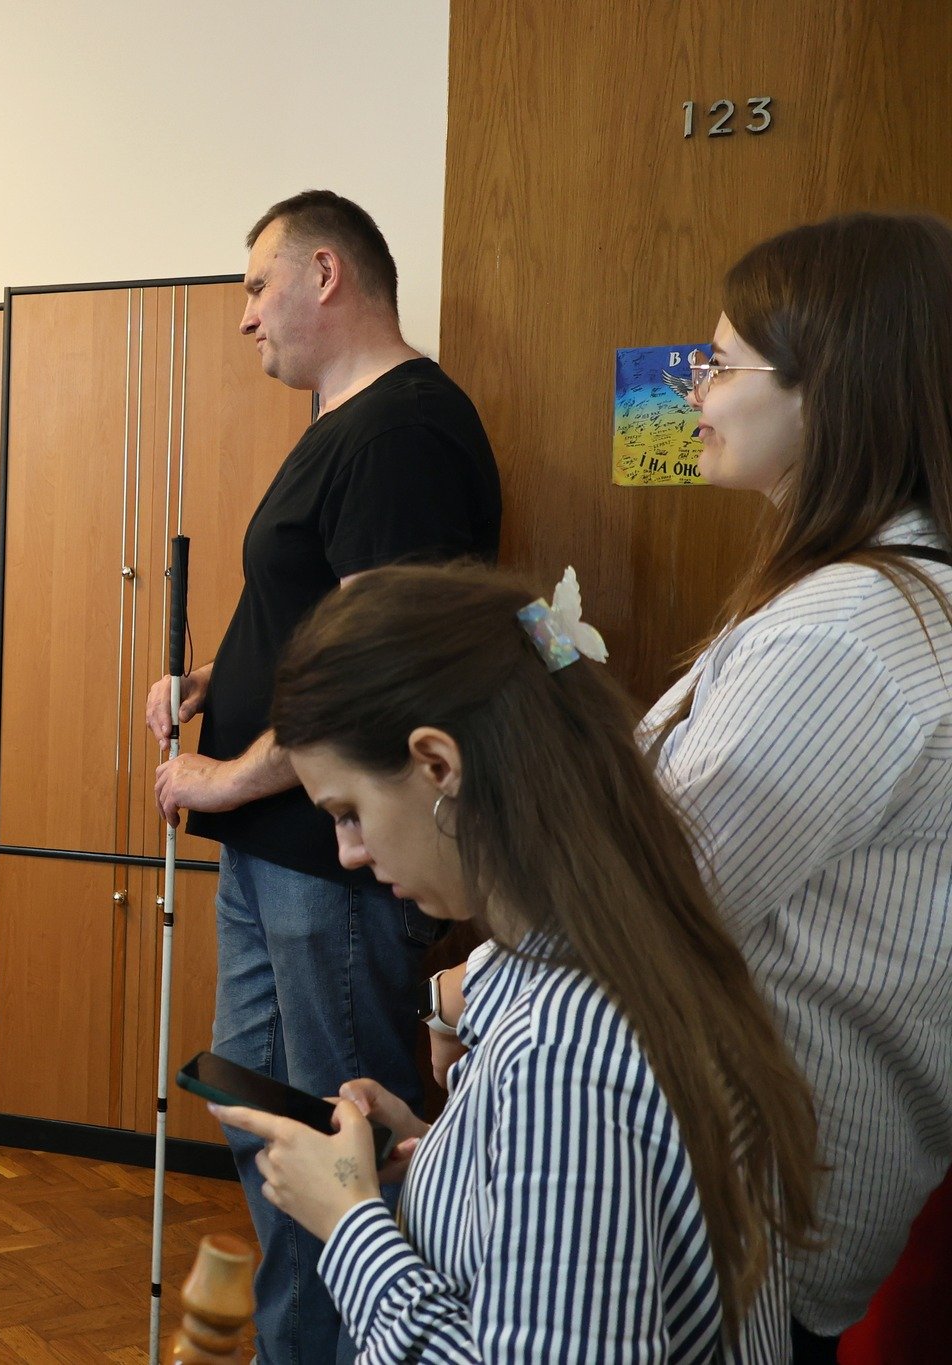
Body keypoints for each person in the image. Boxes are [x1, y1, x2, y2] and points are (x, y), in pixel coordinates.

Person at [216, 562, 818, 1362]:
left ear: (438, 764)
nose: (348, 852)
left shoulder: (561, 1054)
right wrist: (438, 1155)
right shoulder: (626, 950)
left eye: (350, 811)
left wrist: (351, 1223)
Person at [143, 190, 501, 1362]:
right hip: (276, 856)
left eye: (256, 286)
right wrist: (216, 678)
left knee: (338, 1155)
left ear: (325, 273)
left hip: (332, 862)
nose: (245, 316)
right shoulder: (341, 425)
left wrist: (221, 778)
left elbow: (371, 675)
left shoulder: (402, 434)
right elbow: (310, 616)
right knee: (269, 1135)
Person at [641, 211, 952, 1360]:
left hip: (745, 1220)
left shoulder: (844, 632)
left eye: (718, 364)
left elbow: (654, 901)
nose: (691, 393)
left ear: (827, 391)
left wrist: (460, 992)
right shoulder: (852, 597)